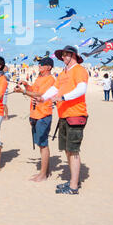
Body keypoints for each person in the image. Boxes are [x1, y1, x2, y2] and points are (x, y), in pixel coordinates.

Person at [24, 46, 89, 195]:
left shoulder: (79, 70)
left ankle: (73, 187)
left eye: (66, 54)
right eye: (62, 55)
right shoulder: (63, 73)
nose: (63, 57)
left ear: (73, 55)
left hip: (76, 114)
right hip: (64, 115)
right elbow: (54, 89)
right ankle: (73, 181)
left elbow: (81, 89)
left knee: (73, 151)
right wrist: (43, 98)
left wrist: (63, 97)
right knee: (67, 150)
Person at [15, 57, 55, 182]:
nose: (39, 66)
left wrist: (23, 92)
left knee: (43, 145)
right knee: (40, 144)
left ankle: (43, 174)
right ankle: (45, 172)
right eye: (39, 64)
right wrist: (26, 85)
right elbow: (34, 90)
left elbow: (40, 94)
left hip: (43, 115)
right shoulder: (39, 78)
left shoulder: (50, 79)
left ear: (48, 67)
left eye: (41, 64)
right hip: (35, 114)